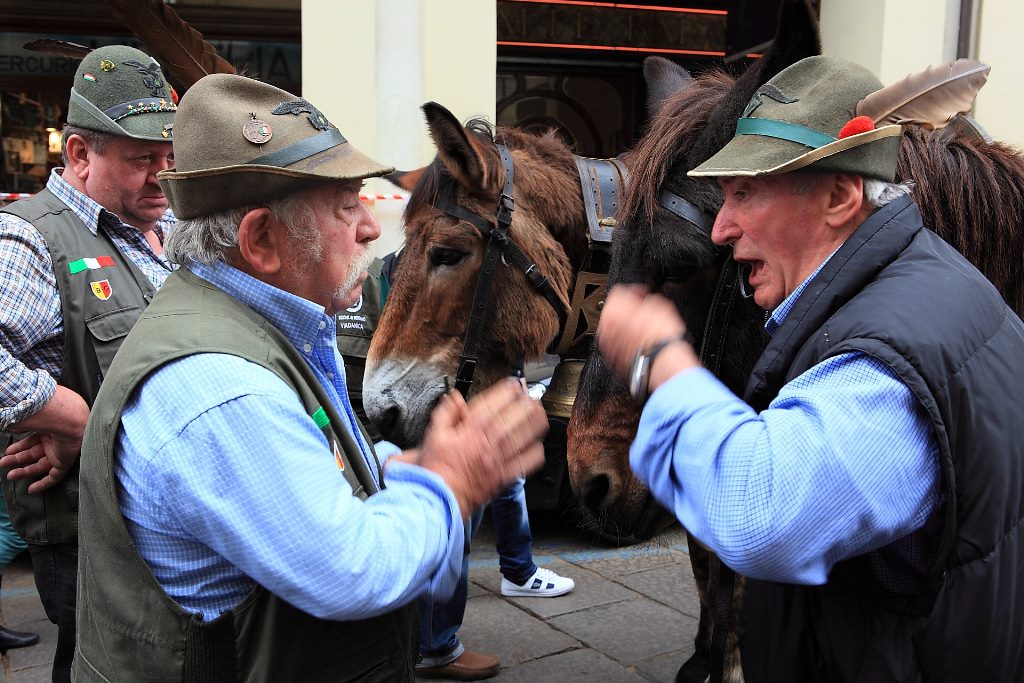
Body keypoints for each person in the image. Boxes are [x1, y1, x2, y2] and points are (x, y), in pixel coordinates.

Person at [71, 72, 548, 681]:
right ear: (263, 239)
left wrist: (395, 467)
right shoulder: (223, 390)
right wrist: (454, 479)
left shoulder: (255, 328)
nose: (372, 228)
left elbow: (306, 461)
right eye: (347, 206)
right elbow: (355, 572)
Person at [596, 55, 1024, 682]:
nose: (721, 229)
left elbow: (758, 515)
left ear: (840, 196)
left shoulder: (884, 363)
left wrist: (663, 362)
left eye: (745, 193)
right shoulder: (927, 283)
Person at [0, 45, 177, 682]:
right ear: (79, 154)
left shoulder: (166, 226)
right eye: (141, 160)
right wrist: (72, 415)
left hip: (166, 515)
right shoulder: (30, 237)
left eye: (169, 158)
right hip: (87, 534)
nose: (163, 175)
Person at [337, 252, 574, 681]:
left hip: (456, 406)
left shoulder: (460, 269)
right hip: (412, 425)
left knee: (501, 484)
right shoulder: (372, 285)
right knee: (452, 521)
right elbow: (363, 386)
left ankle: (513, 575)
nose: (366, 227)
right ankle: (436, 645)